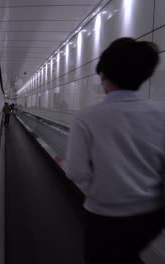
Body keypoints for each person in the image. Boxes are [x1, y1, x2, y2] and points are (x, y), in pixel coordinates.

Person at [66, 38, 165, 264]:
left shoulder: (87, 118)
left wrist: (99, 193)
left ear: (104, 75)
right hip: (151, 217)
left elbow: (76, 171)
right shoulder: (161, 113)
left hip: (104, 216)